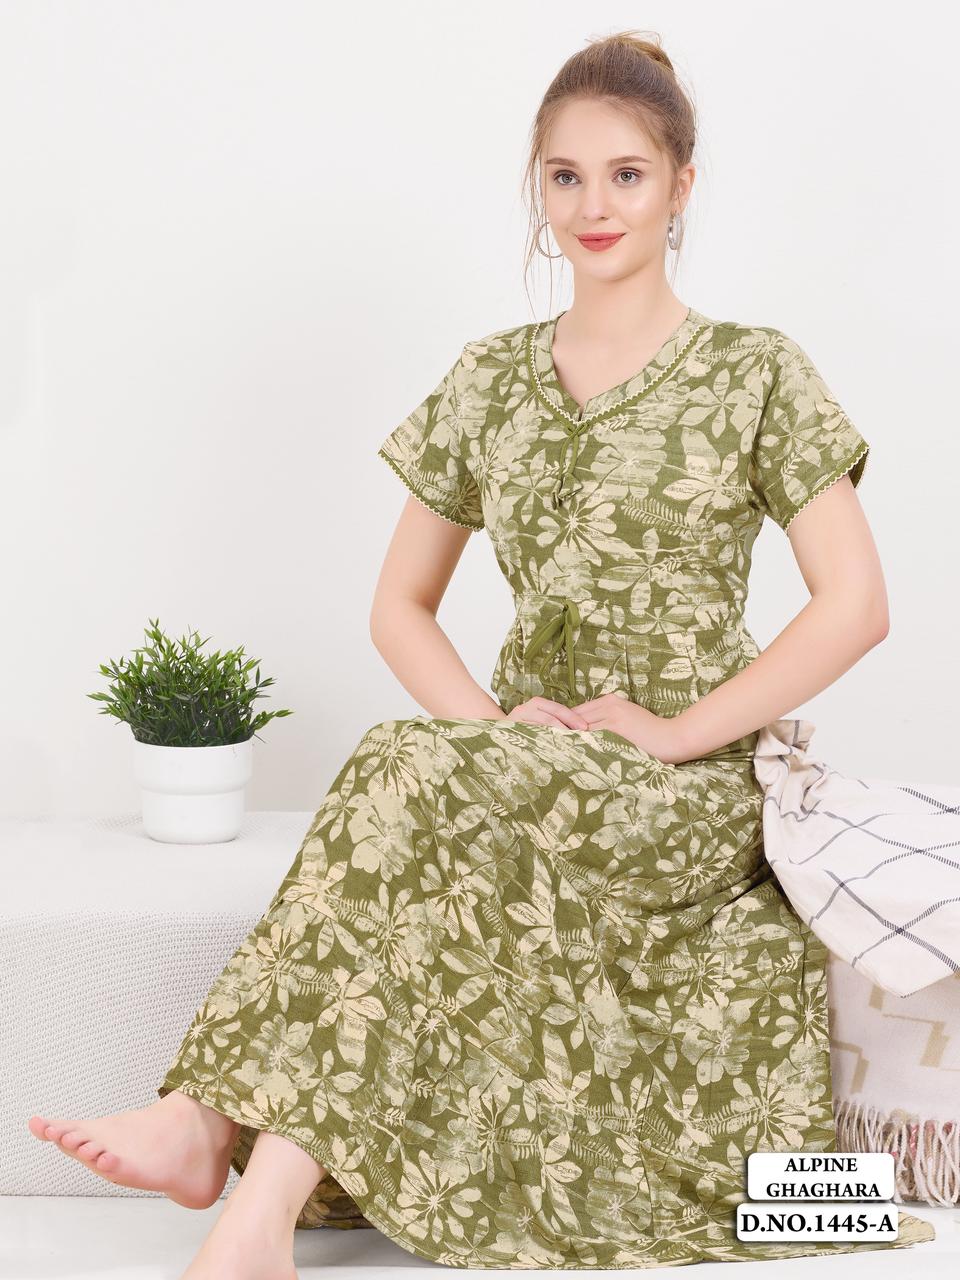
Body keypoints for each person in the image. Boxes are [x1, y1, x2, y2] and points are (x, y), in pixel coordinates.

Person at [27, 29, 936, 1276]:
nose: (594, 205)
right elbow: (400, 604)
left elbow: (857, 602)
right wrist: (496, 727)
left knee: (404, 766)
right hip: (524, 765)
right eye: (566, 176)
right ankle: (250, 1207)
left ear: (681, 185)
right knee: (418, 765)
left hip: (681, 791)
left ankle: (213, 1135)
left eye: (626, 174)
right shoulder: (490, 378)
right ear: (537, 188)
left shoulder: (755, 370)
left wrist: (678, 728)